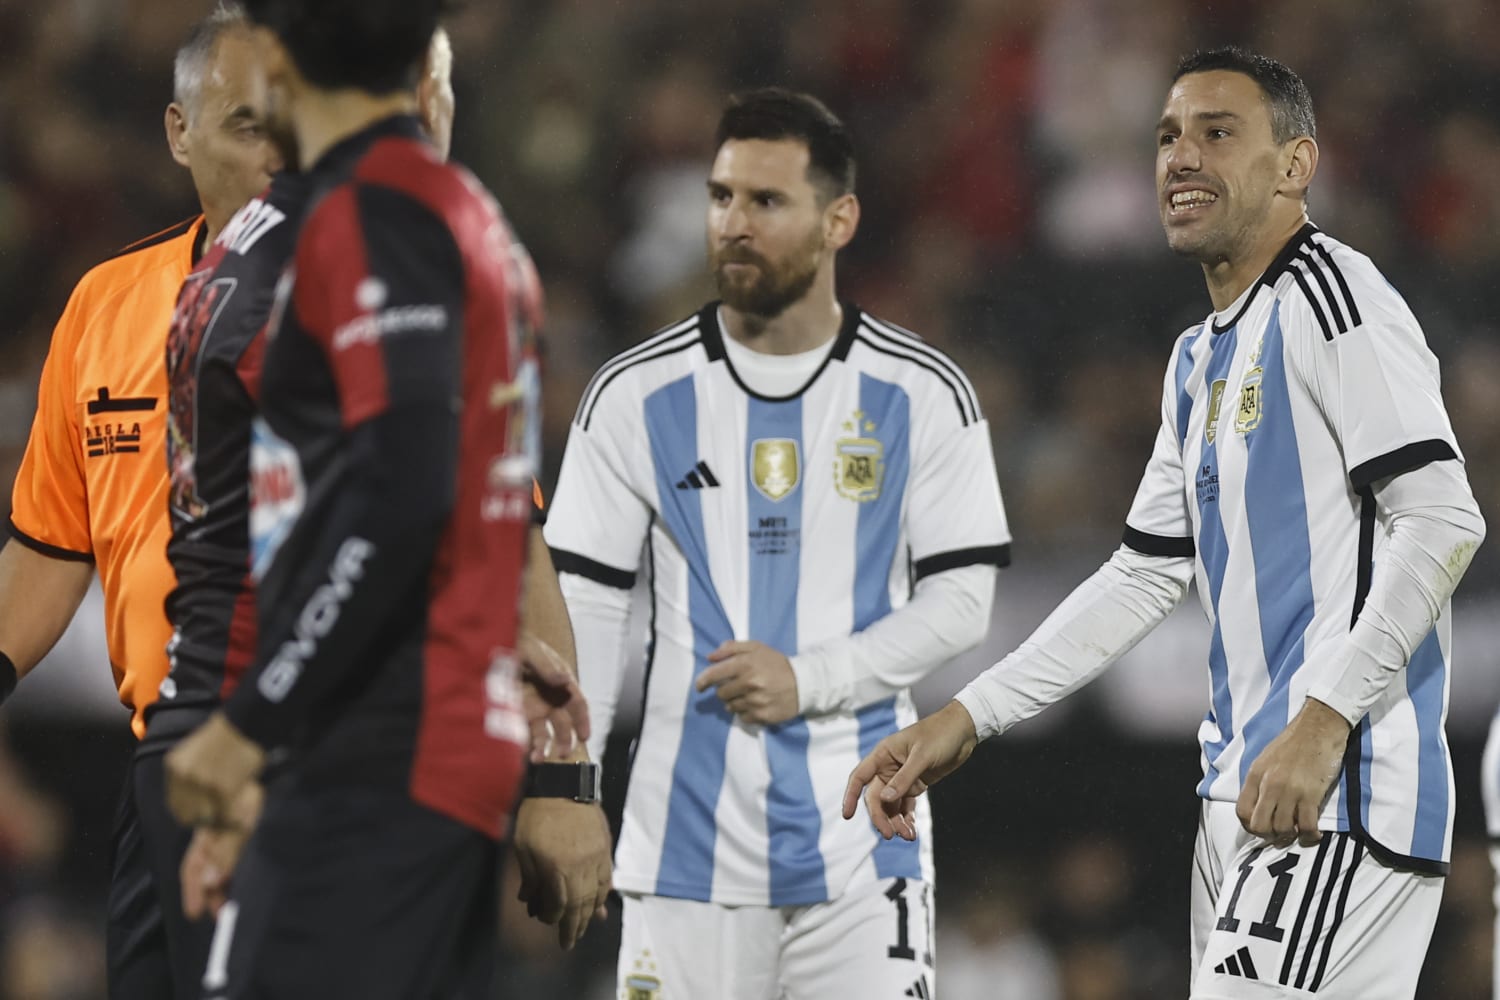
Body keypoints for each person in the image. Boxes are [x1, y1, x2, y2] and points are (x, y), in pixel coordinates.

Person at [845, 46, 1486, 1000]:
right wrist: (968, 717)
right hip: (1242, 796)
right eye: (1167, 138)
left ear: (1295, 165)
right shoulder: (1198, 358)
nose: (1181, 157)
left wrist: (1323, 720)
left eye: (1218, 134)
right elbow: (1144, 573)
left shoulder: (1334, 300)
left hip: (1336, 794)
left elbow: (1441, 517)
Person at [159, 0, 601, 995]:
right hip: (389, 741)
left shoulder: (381, 215)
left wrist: (253, 723)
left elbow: (397, 496)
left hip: (379, 753)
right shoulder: (442, 213)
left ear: (277, 66)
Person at [545, 87, 1010, 1000]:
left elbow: (963, 602)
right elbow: (583, 606)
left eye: (766, 201)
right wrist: (567, 789)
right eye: (721, 198)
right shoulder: (633, 394)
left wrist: (812, 678)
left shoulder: (923, 392)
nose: (733, 223)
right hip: (683, 852)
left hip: (866, 843)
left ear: (839, 220)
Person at [0, 8, 283, 996]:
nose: (277, 155)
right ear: (178, 132)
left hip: (327, 764)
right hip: (164, 761)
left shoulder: (387, 299)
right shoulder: (106, 306)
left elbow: (505, 531)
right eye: (247, 126)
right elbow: (47, 544)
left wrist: (559, 774)